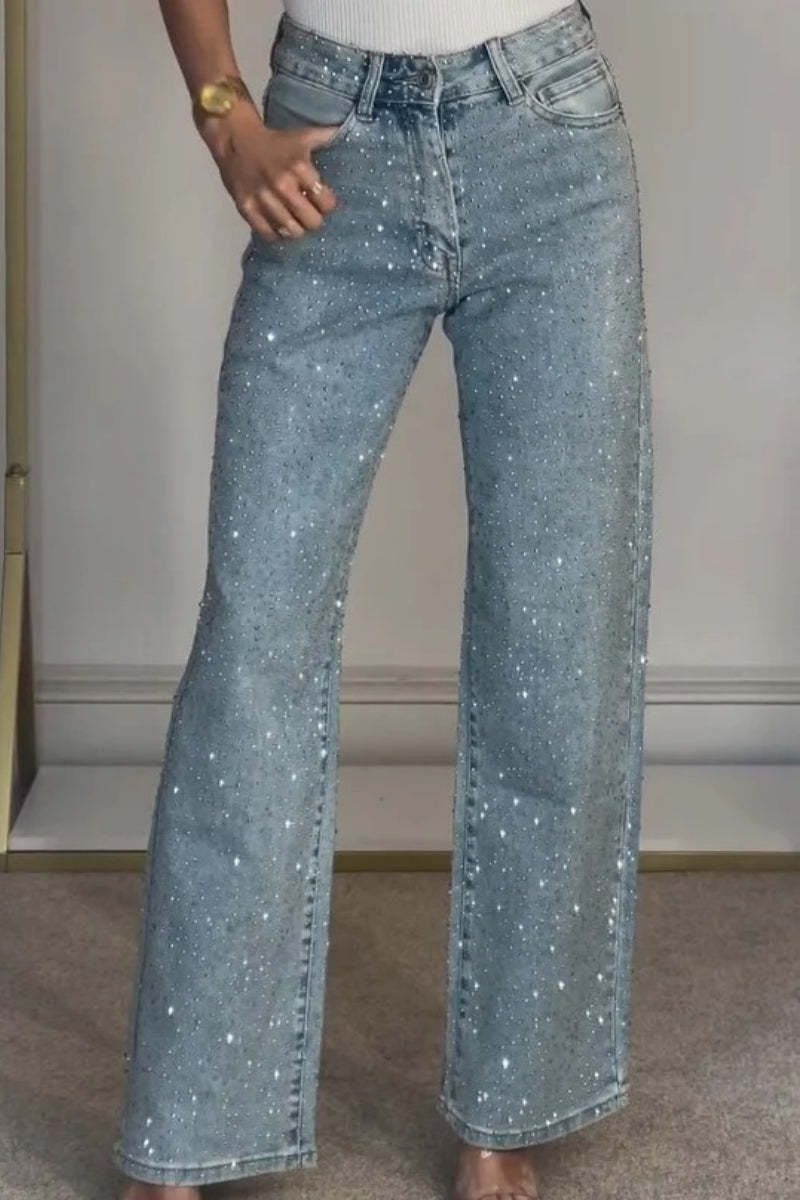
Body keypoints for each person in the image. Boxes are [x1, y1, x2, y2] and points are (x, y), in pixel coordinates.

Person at [113, 0, 654, 1197]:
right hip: (327, 139)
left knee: (553, 638)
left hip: (548, 136)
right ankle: (189, 1124)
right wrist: (222, 113)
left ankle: (508, 1106)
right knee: (253, 641)